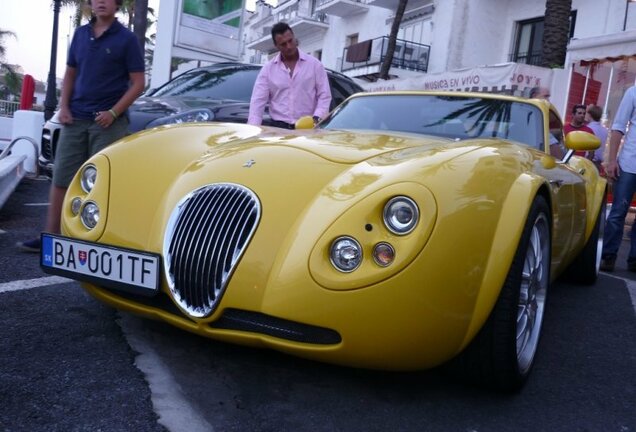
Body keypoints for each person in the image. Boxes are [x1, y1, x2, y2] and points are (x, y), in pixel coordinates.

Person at [17, 0, 145, 252]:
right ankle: (50, 240)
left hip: (108, 123)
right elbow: (71, 74)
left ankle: (99, 244)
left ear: (116, 3)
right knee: (62, 178)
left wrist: (113, 112)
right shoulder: (80, 35)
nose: (101, 2)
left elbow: (138, 83)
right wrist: (63, 107)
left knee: (103, 185)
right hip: (75, 119)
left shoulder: (127, 39)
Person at [248, 22, 331, 129]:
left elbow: (324, 96)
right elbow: (257, 102)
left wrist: (316, 120)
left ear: (294, 37)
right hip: (278, 129)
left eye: (290, 40)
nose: (289, 46)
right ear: (276, 46)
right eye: (283, 44)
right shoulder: (268, 70)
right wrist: (252, 129)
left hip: (308, 129)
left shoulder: (315, 65)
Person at [601, 85, 636, 272]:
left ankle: (634, 259)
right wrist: (612, 160)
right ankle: (608, 255)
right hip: (630, 162)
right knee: (618, 212)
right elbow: (618, 128)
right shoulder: (633, 92)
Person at [585, 104, 609, 169]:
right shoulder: (605, 130)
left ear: (590, 115)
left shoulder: (588, 129)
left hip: (587, 161)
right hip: (598, 163)